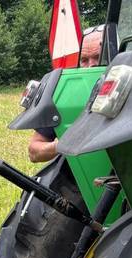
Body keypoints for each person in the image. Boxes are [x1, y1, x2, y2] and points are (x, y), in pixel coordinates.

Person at [28, 25, 105, 162]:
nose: (90, 66)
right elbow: (34, 152)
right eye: (84, 60)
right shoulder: (66, 95)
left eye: (97, 57)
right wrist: (63, 144)